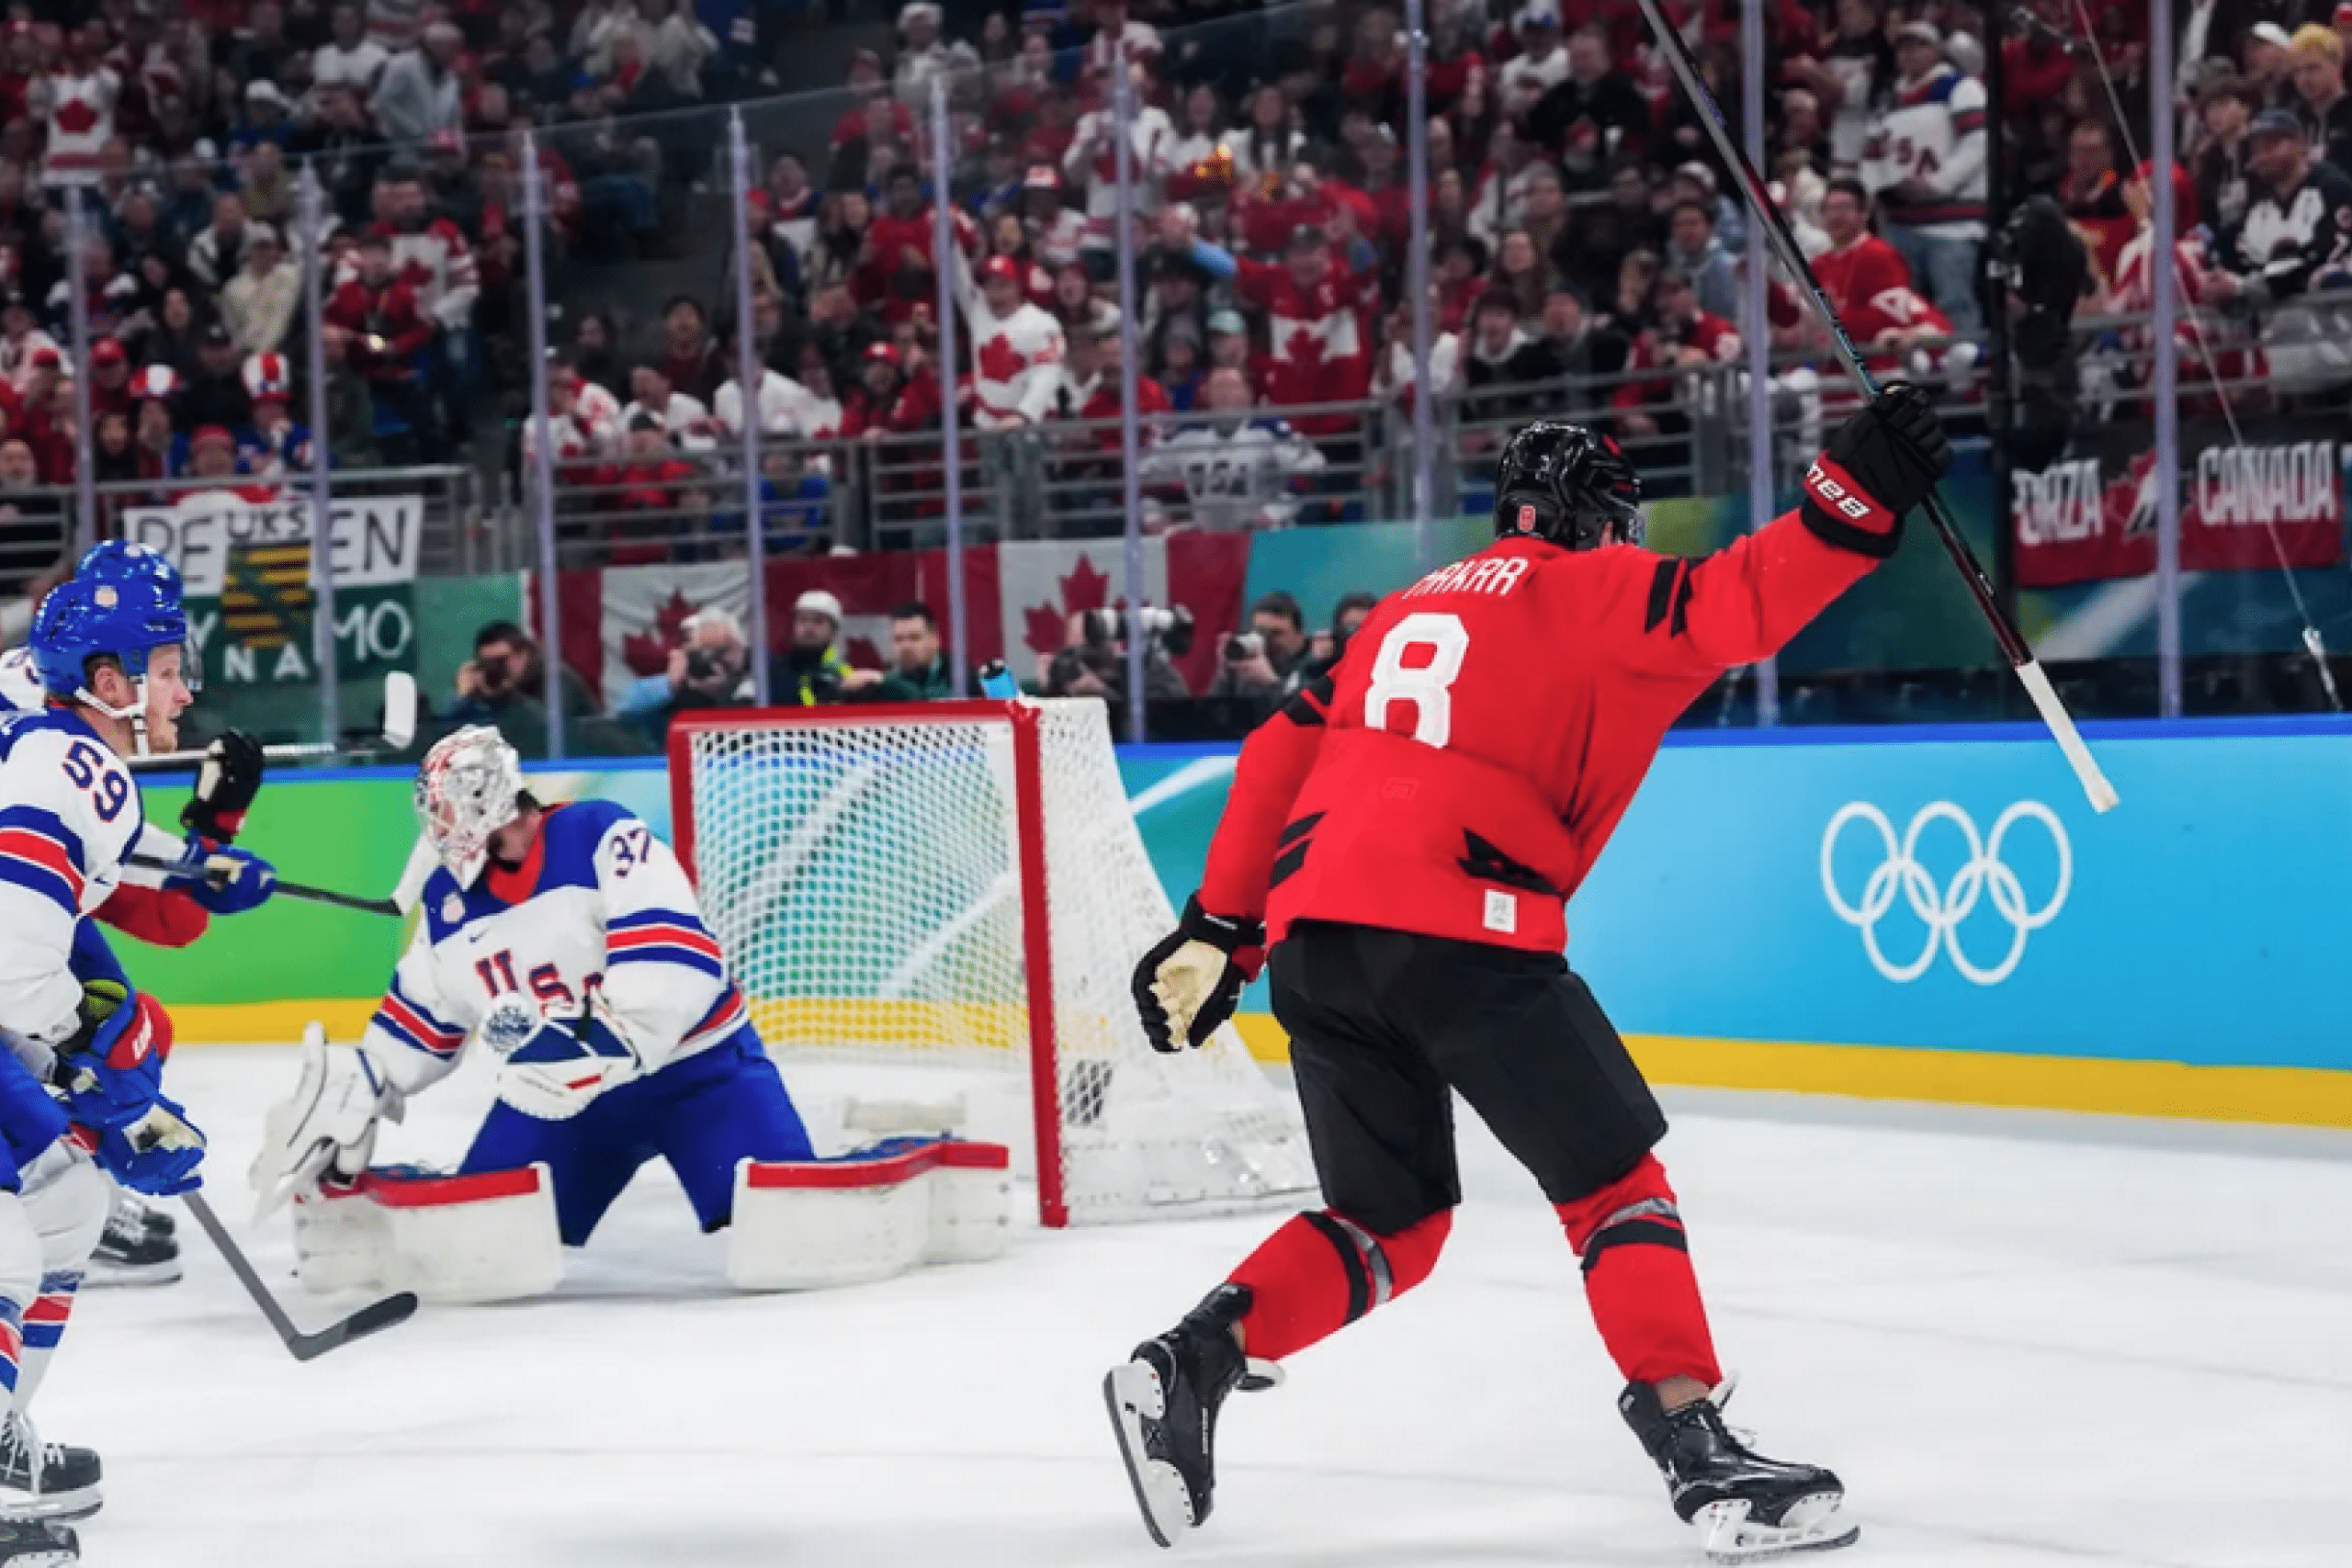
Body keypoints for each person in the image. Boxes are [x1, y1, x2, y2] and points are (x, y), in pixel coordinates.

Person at [1108, 388, 1955, 1561]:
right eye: (1618, 518)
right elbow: (1743, 599)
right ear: (1586, 519)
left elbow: (1273, 753)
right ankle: (1697, 1450)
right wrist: (1858, 492)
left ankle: (1188, 1361)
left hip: (1318, 947)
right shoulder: (1588, 586)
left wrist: (1219, 928)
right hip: (1467, 928)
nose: (1626, 540)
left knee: (1387, 1219)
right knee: (1614, 1188)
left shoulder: (1396, 614)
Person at [251, 726, 817, 1256]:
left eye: (445, 813)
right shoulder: (448, 903)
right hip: (564, 1105)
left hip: (700, 1077)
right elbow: (425, 1018)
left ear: (486, 802)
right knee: (480, 1246)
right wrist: (362, 1084)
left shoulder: (599, 836)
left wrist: (601, 1041)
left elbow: (676, 960)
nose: (438, 832)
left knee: (784, 1234)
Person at [0, 543, 283, 1547]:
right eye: (166, 666)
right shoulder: (65, 760)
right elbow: (16, 965)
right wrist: (94, 1061)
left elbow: (120, 891)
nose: (183, 687)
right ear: (108, 681)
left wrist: (203, 851)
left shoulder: (56, 743)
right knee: (5, 1244)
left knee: (69, 1202)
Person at [1205, 591, 1311, 700]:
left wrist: (1271, 684)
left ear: (1300, 636)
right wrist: (1225, 676)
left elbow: (1303, 713)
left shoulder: (1315, 672)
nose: (1268, 640)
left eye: (1276, 633)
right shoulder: (1245, 670)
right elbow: (1211, 714)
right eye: (1260, 631)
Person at [876, 603, 955, 700]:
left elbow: (927, 702)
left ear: (935, 640)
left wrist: (884, 683)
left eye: (915, 637)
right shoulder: (890, 679)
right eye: (898, 639)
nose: (906, 646)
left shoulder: (960, 677)